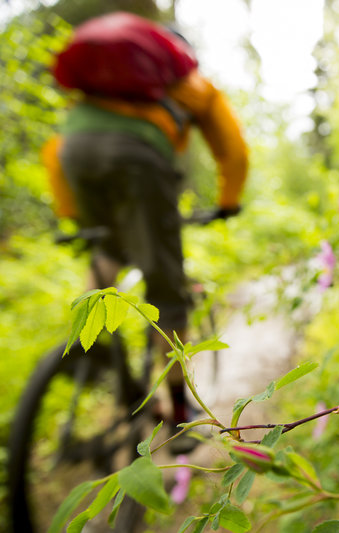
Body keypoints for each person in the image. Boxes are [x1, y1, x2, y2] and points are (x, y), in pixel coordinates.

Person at [41, 12, 248, 447]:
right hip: (139, 160)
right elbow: (233, 150)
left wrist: (72, 217)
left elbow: (55, 150)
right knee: (166, 286)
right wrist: (228, 203)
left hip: (75, 154)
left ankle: (91, 350)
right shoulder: (194, 86)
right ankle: (178, 412)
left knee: (108, 248)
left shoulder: (91, 94)